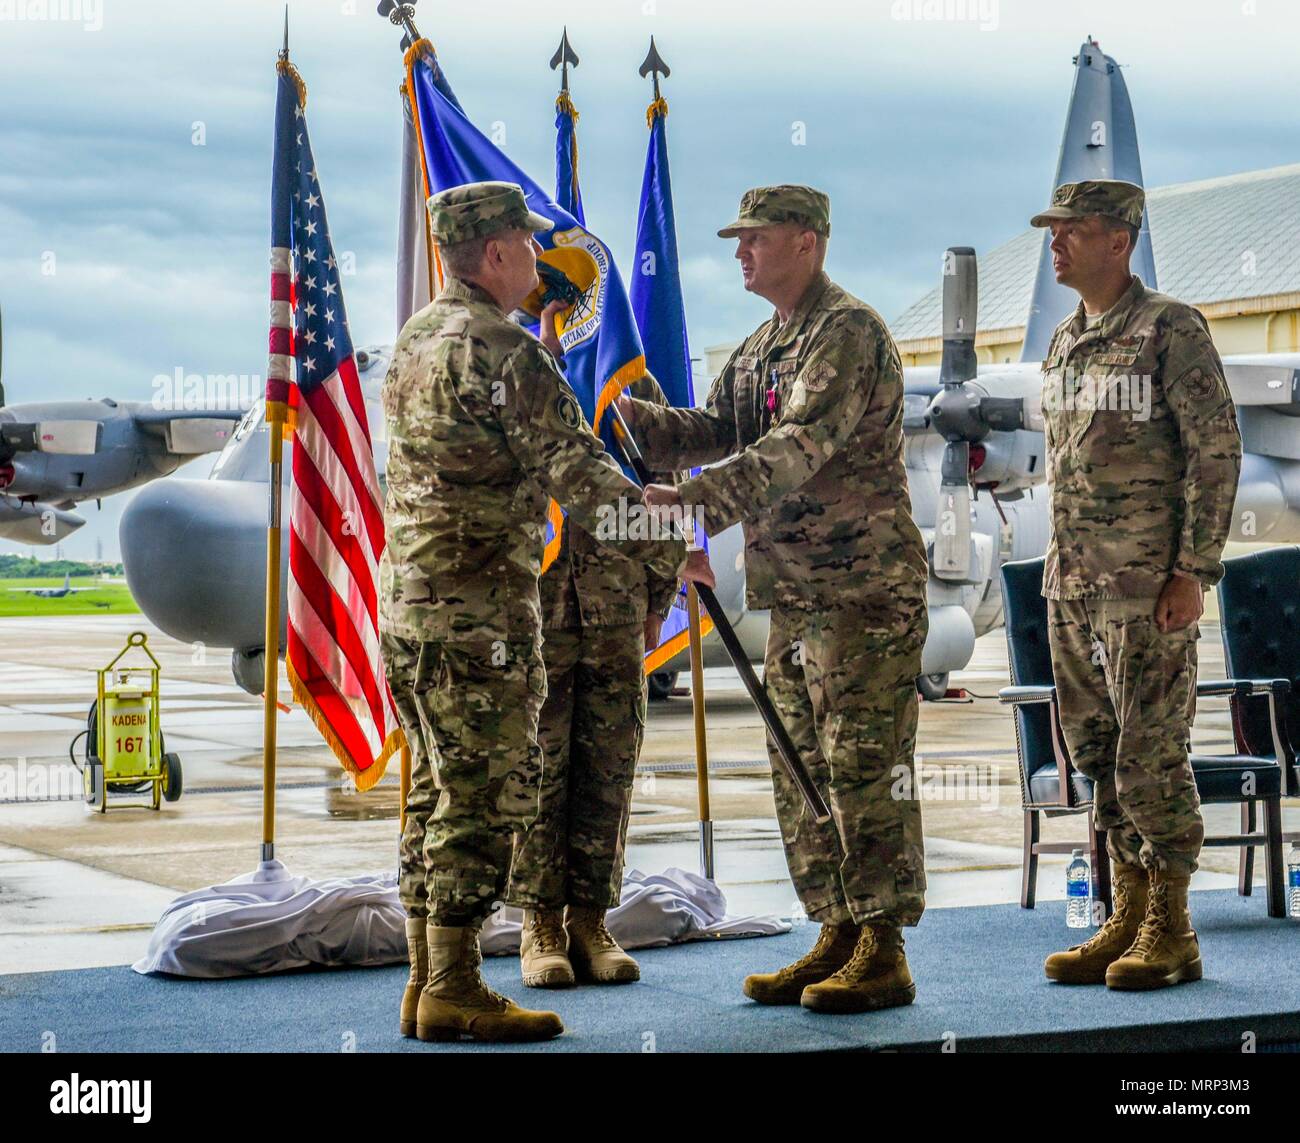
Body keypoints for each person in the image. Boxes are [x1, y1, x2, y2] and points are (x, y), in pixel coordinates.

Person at [380, 180, 713, 1042]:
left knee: (432, 794)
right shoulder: (505, 352)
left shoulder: (417, 339)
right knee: (483, 800)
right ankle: (454, 983)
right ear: (494, 252)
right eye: (526, 243)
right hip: (480, 617)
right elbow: (586, 481)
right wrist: (665, 522)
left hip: (411, 612)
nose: (536, 256)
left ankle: (425, 981)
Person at [620, 185, 930, 1014]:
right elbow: (712, 426)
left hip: (862, 593)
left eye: (754, 238)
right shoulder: (766, 344)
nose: (739, 253)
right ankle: (835, 929)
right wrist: (618, 407)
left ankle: (883, 946)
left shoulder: (847, 334)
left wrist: (694, 504)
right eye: (737, 239)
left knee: (864, 768)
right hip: (794, 596)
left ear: (807, 241)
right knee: (801, 769)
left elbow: (796, 448)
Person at [1032, 179, 1242, 990]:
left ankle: (1172, 926)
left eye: (1070, 230)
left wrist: (1194, 570)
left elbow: (1215, 450)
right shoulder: (1063, 339)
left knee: (1152, 756)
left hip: (1146, 585)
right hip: (1074, 585)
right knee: (1098, 754)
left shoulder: (1169, 328)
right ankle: (1126, 909)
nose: (1055, 243)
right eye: (1052, 230)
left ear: (1118, 241)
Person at [505, 370, 678, 989]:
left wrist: (660, 596)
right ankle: (541, 925)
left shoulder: (630, 381)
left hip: (618, 607)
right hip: (537, 609)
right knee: (540, 770)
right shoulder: (522, 372)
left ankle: (591, 921)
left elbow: (665, 491)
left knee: (609, 771)